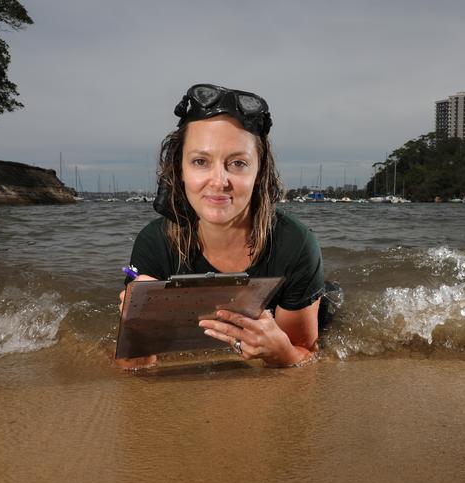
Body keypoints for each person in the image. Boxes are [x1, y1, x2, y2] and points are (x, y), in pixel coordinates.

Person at [117, 83, 324, 369]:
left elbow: (306, 353)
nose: (218, 181)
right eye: (200, 161)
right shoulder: (155, 243)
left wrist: (282, 354)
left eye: (237, 163)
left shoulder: (295, 244)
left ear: (260, 172)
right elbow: (134, 367)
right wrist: (139, 330)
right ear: (180, 169)